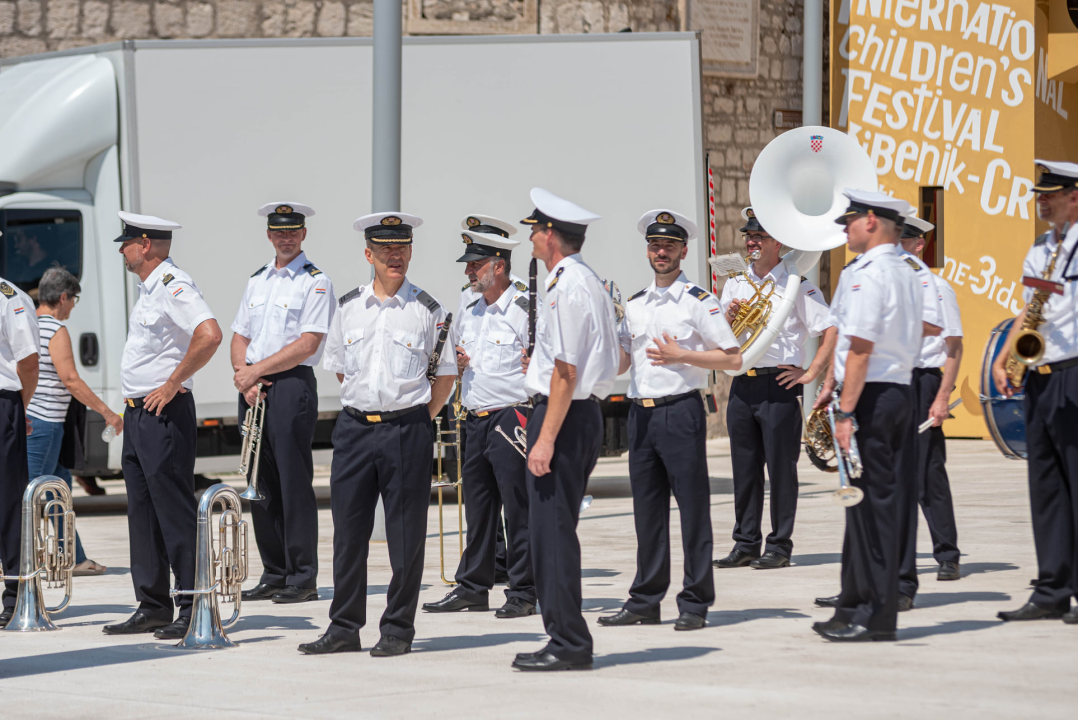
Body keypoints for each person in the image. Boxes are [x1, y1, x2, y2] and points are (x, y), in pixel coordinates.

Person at [299, 211, 456, 656]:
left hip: (406, 430)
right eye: (385, 249)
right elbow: (341, 370)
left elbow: (445, 376)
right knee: (348, 536)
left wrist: (416, 417)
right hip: (353, 431)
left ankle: (397, 631)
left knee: (406, 538)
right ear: (369, 255)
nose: (395, 255)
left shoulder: (428, 311)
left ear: (411, 251)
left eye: (402, 247)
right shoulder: (348, 308)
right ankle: (344, 628)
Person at [597, 209, 740, 632]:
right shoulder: (636, 304)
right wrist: (603, 327)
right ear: (648, 251)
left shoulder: (699, 301)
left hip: (680, 412)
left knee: (693, 511)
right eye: (655, 245)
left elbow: (732, 359)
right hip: (640, 416)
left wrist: (684, 355)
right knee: (647, 513)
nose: (662, 252)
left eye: (670, 246)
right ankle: (645, 600)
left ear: (683, 251)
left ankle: (695, 602)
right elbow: (622, 363)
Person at [511, 188, 618, 671]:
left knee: (551, 535)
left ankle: (569, 642)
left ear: (550, 235)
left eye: (535, 230)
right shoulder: (585, 280)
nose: (531, 238)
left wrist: (545, 439)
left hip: (565, 416)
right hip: (575, 412)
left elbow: (566, 372)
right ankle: (564, 636)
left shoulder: (566, 284)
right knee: (552, 531)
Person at [102, 212, 223, 640]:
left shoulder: (173, 284)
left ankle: (193, 604)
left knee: (174, 512)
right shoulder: (149, 289)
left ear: (146, 245)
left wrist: (172, 383)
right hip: (137, 414)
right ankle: (153, 605)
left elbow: (209, 334)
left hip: (163, 413)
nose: (122, 250)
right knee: (143, 513)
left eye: (127, 243)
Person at [810, 190, 924, 642]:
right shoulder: (906, 270)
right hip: (896, 391)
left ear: (871, 221)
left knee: (873, 508)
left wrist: (845, 412)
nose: (845, 229)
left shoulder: (868, 274)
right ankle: (852, 605)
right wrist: (832, 385)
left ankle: (876, 616)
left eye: (850, 221)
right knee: (863, 504)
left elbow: (859, 348)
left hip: (872, 398)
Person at [423, 215, 537, 618]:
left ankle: (524, 591)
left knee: (519, 510)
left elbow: (542, 363)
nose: (468, 271)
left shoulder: (525, 307)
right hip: (473, 416)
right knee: (478, 509)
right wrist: (457, 361)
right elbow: (459, 354)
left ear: (499, 265)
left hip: (512, 417)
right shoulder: (468, 305)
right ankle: (473, 587)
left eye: (475, 264)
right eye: (469, 264)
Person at [713, 208, 836, 570]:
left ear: (777, 242)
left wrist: (811, 373)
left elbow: (831, 328)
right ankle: (746, 543)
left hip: (778, 384)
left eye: (759, 237)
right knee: (744, 470)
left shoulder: (796, 282)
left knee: (782, 472)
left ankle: (779, 545)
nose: (751, 242)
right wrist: (728, 319)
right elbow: (721, 337)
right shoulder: (735, 282)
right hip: (742, 384)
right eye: (749, 236)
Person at [233, 202, 335, 605]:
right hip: (254, 389)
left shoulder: (315, 281)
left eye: (293, 231)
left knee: (293, 484)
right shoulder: (257, 280)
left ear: (304, 234)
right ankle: (274, 573)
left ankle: (302, 577)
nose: (286, 238)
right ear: (269, 235)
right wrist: (243, 375)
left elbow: (308, 344)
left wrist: (254, 372)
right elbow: (239, 335)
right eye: (279, 232)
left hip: (291, 386)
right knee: (260, 484)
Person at [994, 160, 1078, 623]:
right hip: (1040, 374)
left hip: (1074, 371)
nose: (1041, 202)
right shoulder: (1041, 247)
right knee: (1045, 486)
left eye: (1050, 195)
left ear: (1074, 196)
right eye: (1039, 195)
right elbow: (1029, 309)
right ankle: (1051, 591)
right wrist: (1007, 358)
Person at [26, 266, 122, 576]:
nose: (72, 307)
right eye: (74, 300)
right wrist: (107, 412)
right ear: (64, 297)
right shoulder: (55, 330)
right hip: (45, 424)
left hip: (39, 422)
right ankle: (13, 561)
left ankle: (74, 558)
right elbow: (70, 379)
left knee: (59, 494)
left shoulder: (27, 324)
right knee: (27, 496)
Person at [896, 214, 964, 611]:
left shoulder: (936, 287)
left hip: (923, 381)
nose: (897, 245)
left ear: (919, 244)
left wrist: (941, 397)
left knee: (927, 473)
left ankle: (947, 553)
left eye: (904, 239)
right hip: (890, 380)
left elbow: (953, 346)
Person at [0, 249, 39, 627]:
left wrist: (19, 406)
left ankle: (16, 594)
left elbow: (28, 361)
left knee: (9, 502)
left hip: (2, 402)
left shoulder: (9, 297)